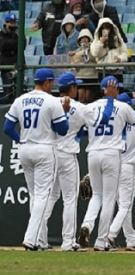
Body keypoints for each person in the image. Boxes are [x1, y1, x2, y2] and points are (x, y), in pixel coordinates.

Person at [38, 72, 113, 251]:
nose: (78, 89)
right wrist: (110, 98)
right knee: (70, 199)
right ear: (71, 88)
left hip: (49, 154)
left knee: (50, 197)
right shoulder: (80, 107)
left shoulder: (49, 104)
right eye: (76, 87)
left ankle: (38, 238)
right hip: (67, 156)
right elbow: (102, 120)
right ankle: (68, 241)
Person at [3, 68, 70, 250]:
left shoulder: (20, 100)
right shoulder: (51, 101)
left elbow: (7, 128)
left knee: (34, 196)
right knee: (42, 196)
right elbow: (63, 129)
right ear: (47, 82)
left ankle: (40, 240)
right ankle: (31, 239)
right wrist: (64, 112)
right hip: (44, 149)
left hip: (25, 149)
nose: (53, 85)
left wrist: (22, 140)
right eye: (51, 82)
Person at [78, 76, 135, 251]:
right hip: (112, 153)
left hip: (93, 152)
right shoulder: (123, 106)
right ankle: (101, 241)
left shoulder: (89, 107)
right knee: (109, 198)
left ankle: (87, 225)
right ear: (115, 90)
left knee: (97, 195)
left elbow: (80, 129)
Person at [107, 93, 135, 251]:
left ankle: (131, 240)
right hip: (127, 166)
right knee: (125, 205)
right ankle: (110, 235)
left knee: (122, 205)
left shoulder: (112, 122)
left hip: (112, 164)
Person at [90, 17, 128, 83]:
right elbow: (95, 54)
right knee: (104, 91)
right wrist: (101, 42)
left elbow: (125, 53)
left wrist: (120, 58)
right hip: (103, 70)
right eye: (104, 28)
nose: (106, 30)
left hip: (117, 70)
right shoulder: (96, 41)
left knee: (118, 90)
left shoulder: (118, 40)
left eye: (108, 28)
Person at [70, 28, 98, 103]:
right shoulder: (76, 51)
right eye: (82, 39)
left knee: (88, 97)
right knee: (81, 95)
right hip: (80, 75)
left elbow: (96, 59)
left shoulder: (94, 50)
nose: (84, 40)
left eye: (86, 38)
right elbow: (74, 65)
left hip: (92, 75)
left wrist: (86, 52)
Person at [0, 13, 19, 104]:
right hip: (5, 65)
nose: (12, 24)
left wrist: (16, 36)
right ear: (6, 23)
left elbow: (22, 45)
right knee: (7, 92)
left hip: (16, 64)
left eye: (14, 22)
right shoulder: (1, 33)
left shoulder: (17, 33)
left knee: (17, 91)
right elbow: (3, 46)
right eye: (10, 22)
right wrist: (14, 42)